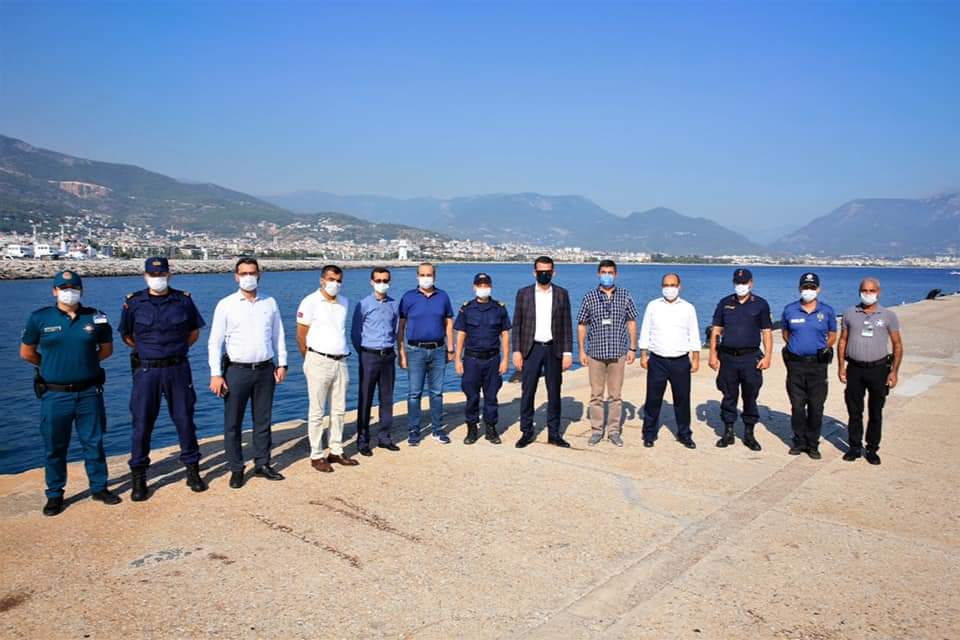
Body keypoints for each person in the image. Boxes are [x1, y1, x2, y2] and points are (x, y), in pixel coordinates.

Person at [19, 270, 121, 516]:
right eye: (63, 288)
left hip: (89, 392)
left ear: (81, 290)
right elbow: (27, 353)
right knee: (55, 446)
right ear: (54, 291)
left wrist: (85, 364)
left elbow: (106, 349)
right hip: (55, 394)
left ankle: (99, 487)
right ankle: (55, 494)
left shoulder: (96, 316)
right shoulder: (39, 318)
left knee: (94, 443)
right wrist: (50, 366)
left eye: (74, 287)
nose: (69, 292)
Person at [120, 257, 207, 500]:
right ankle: (139, 477)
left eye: (161, 274)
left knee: (184, 420)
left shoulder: (183, 301)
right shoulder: (134, 303)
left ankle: (192, 471)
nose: (157, 278)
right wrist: (148, 351)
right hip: (147, 371)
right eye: (153, 275)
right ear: (145, 276)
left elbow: (193, 332)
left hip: (177, 368)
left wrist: (175, 351)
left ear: (169, 275)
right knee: (142, 423)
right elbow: (127, 336)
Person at [208, 257, 288, 487]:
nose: (248, 277)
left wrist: (282, 363)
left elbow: (278, 334)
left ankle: (262, 463)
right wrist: (216, 373)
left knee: (263, 420)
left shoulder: (269, 302)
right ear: (236, 277)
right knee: (233, 422)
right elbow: (215, 342)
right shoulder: (226, 304)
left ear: (259, 275)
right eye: (243, 273)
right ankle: (236, 468)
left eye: (252, 273)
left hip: (265, 369)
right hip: (236, 371)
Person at [296, 265, 358, 472]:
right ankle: (316, 454)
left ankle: (336, 450)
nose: (335, 284)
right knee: (317, 411)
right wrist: (309, 358)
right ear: (322, 280)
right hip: (318, 360)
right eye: (331, 279)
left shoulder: (344, 302)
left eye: (339, 280)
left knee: (339, 410)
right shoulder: (310, 301)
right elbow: (301, 334)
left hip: (341, 361)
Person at [837, 277, 903, 465]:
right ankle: (854, 447)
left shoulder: (888, 315)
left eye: (872, 291)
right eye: (864, 291)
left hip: (879, 369)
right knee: (854, 411)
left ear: (878, 292)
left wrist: (894, 371)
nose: (868, 294)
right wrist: (841, 366)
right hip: (855, 369)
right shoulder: (849, 314)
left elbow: (897, 345)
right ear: (859, 292)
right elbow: (842, 341)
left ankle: (872, 449)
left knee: (875, 412)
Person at [511, 256, 574, 448]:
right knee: (528, 391)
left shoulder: (562, 294)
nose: (544, 274)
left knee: (554, 392)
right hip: (531, 348)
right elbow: (517, 324)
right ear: (534, 273)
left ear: (553, 272)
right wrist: (516, 351)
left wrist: (568, 352)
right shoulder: (524, 294)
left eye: (547, 271)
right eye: (540, 272)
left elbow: (566, 324)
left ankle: (554, 433)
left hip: (554, 348)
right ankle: (526, 431)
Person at [708, 268, 773, 451]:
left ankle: (749, 434)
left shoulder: (760, 304)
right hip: (728, 358)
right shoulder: (725, 303)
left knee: (750, 396)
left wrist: (768, 356)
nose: (741, 286)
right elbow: (716, 330)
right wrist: (712, 354)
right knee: (728, 395)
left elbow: (767, 332)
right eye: (738, 282)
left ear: (751, 283)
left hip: (751, 358)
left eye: (744, 283)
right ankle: (728, 432)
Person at [576, 260, 638, 447]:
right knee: (596, 394)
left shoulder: (625, 296)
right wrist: (581, 350)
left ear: (616, 274)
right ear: (598, 274)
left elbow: (631, 322)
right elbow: (582, 324)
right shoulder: (589, 297)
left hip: (618, 353)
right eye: (603, 272)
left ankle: (613, 431)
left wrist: (633, 348)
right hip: (595, 353)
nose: (607, 275)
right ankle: (596, 430)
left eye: (610, 272)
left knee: (615, 395)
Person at [639, 273, 701, 449]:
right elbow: (646, 330)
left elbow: (694, 333)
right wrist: (643, 354)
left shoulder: (688, 308)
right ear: (662, 287)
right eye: (666, 285)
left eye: (673, 285)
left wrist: (696, 358)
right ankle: (649, 434)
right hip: (657, 360)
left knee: (682, 400)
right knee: (653, 399)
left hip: (680, 361)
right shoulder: (653, 306)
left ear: (679, 287)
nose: (669, 289)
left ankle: (684, 434)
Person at [781, 272, 837, 459]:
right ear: (800, 288)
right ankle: (798, 441)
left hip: (818, 365)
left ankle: (812, 444)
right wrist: (797, 347)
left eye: (812, 287)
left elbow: (832, 335)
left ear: (818, 289)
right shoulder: (790, 310)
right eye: (805, 287)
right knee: (797, 406)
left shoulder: (827, 311)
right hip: (796, 364)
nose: (808, 290)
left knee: (816, 406)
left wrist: (823, 348)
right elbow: (786, 333)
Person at [397, 263, 454, 446]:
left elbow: (448, 323)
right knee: (414, 393)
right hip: (415, 351)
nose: (426, 278)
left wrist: (450, 348)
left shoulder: (443, 296)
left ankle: (437, 429)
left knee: (437, 393)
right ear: (417, 276)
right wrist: (401, 352)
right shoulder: (408, 297)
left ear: (434, 276)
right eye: (422, 275)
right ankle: (414, 430)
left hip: (438, 350)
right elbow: (401, 326)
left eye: (429, 275)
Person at [453, 273, 512, 445]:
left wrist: (505, 359)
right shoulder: (467, 309)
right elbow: (461, 334)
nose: (483, 288)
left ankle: (491, 429)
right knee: (471, 396)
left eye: (486, 285)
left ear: (491, 287)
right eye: (480, 285)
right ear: (474, 287)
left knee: (491, 396)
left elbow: (505, 335)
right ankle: (472, 429)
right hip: (471, 360)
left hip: (492, 359)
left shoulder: (499, 308)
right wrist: (457, 359)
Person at [351, 267, 401, 456]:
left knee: (387, 398)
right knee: (365, 398)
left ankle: (384, 437)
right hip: (369, 356)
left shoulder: (394, 305)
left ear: (390, 282)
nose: (382, 283)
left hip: (388, 355)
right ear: (372, 282)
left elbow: (396, 329)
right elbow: (355, 333)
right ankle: (363, 440)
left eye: (385, 280)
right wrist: (364, 353)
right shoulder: (363, 304)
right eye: (378, 280)